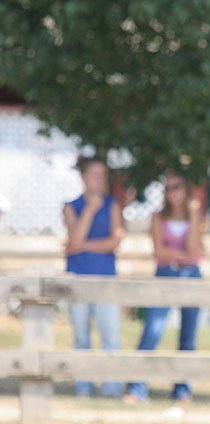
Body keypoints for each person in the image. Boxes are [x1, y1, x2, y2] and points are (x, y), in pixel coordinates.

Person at [124, 171, 205, 403]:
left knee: (188, 334)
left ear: (186, 188)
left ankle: (182, 389)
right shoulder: (158, 217)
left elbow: (194, 247)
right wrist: (184, 255)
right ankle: (137, 388)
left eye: (177, 186)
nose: (172, 193)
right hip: (165, 272)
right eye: (168, 188)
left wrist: (191, 214)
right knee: (153, 329)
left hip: (191, 275)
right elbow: (160, 252)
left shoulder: (195, 215)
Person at [63, 156, 125, 398]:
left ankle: (111, 385)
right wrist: (90, 209)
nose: (100, 179)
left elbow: (114, 241)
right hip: (78, 279)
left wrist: (80, 245)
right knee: (81, 335)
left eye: (103, 175)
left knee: (110, 334)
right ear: (84, 177)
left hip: (105, 278)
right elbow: (74, 239)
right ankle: (83, 385)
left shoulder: (113, 205)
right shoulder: (72, 206)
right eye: (95, 174)